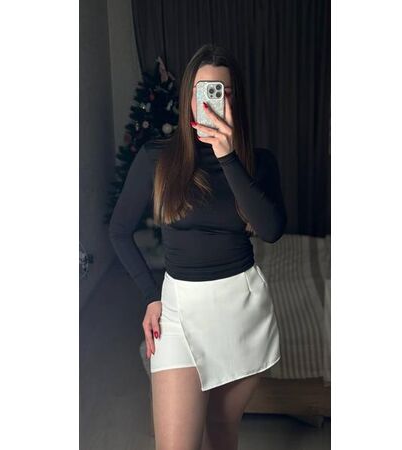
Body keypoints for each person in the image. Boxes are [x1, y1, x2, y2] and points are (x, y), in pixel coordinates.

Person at [109, 44, 287, 450]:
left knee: (222, 434)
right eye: (202, 91)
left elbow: (271, 230)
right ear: (188, 98)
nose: (210, 101)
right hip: (178, 313)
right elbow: (119, 231)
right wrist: (150, 295)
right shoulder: (157, 159)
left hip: (241, 312)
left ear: (234, 101)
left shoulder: (258, 162)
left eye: (221, 92)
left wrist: (228, 157)